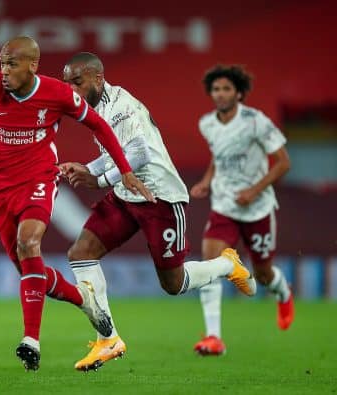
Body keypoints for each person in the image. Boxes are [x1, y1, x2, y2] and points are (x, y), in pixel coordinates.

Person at [0, 36, 153, 371]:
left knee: (28, 241)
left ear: (32, 65)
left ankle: (30, 340)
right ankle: (84, 299)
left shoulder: (57, 93)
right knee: (28, 270)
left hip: (38, 179)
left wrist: (124, 170)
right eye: (2, 63)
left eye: (12, 64)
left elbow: (99, 125)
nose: (4, 71)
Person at [58, 53, 256, 371]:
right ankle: (107, 339)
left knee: (173, 284)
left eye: (77, 83)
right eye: (66, 84)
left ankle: (225, 264)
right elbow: (115, 155)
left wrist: (97, 180)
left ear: (97, 78)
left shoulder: (122, 106)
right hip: (126, 194)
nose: (71, 90)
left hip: (159, 197)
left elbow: (139, 152)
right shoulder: (95, 107)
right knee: (81, 252)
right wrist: (88, 168)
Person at [191, 65, 294, 356]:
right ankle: (214, 337)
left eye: (226, 89)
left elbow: (284, 162)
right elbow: (217, 156)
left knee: (262, 274)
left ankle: (284, 292)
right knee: (210, 265)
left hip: (257, 208)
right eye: (216, 89)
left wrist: (254, 190)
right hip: (224, 205)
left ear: (238, 92)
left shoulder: (256, 121)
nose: (220, 94)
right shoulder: (207, 123)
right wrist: (207, 181)